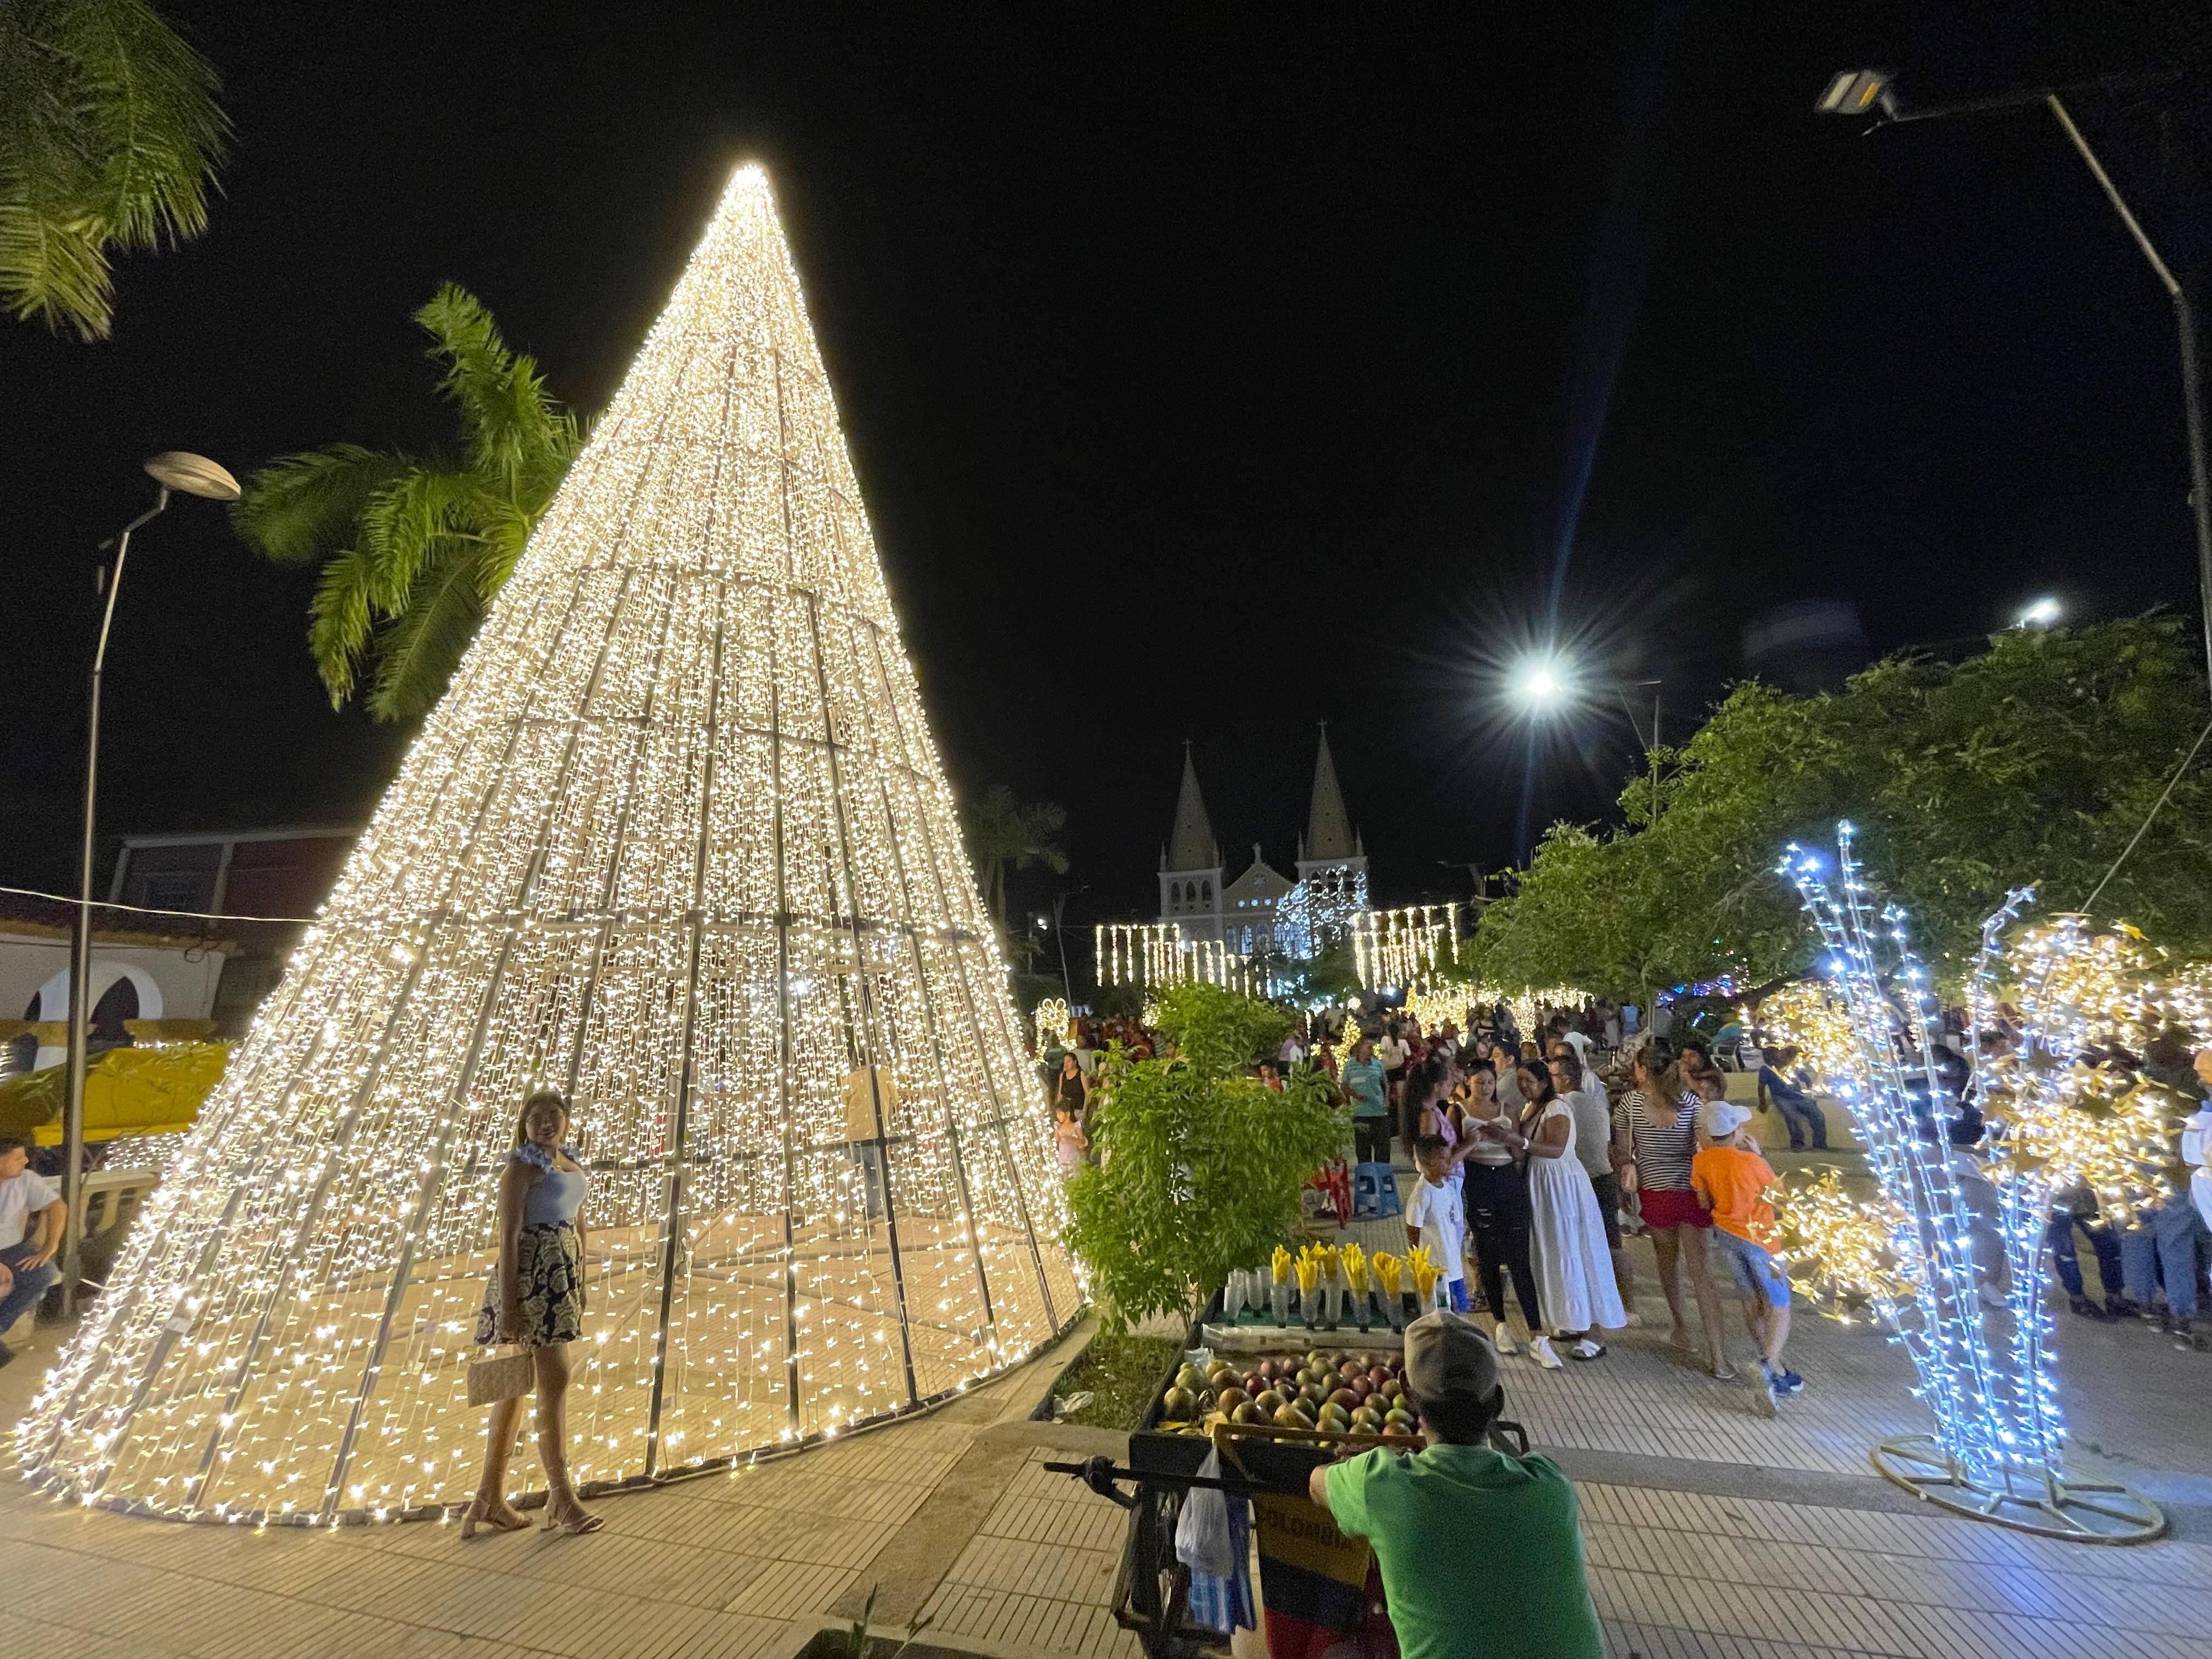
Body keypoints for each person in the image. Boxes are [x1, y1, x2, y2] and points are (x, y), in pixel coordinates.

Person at [1311, 1311, 1604, 1659]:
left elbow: (1315, 1484)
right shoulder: (1552, 1486)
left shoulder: (1382, 1484)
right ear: (1497, 1401)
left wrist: (1363, 1460)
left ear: (1405, 1390)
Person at [469, 1088, 602, 1537]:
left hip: (561, 1273)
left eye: (553, 1116)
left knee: (517, 1387)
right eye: (536, 1118)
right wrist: (509, 1309)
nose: (545, 1124)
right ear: (524, 1125)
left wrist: (581, 1274)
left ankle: (487, 1499)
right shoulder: (521, 1167)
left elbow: (578, 1219)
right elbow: (507, 1236)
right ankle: (562, 1499)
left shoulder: (569, 1161)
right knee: (555, 1379)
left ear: (566, 1121)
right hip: (531, 1278)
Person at [1615, 1049, 1731, 1377]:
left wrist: (1628, 1169)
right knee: (1702, 1274)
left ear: (1641, 1070)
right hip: (1690, 1190)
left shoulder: (1630, 1104)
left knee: (1668, 1265)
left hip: (1655, 1192)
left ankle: (1682, 1329)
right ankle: (1719, 1358)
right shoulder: (1691, 1104)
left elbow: (1624, 1153)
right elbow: (1704, 1146)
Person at [1690, 1098, 1800, 1409]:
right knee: (1780, 1303)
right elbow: (1780, 1198)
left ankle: (1775, 1370)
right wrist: (1759, 1156)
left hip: (1726, 1236)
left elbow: (1703, 1202)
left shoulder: (1701, 1161)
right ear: (1736, 1132)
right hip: (1762, 1240)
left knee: (1751, 1299)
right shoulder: (1753, 1162)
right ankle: (1768, 1364)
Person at [1512, 1060, 1623, 1362]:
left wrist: (1519, 1141)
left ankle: (1595, 1333)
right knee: (1556, 1253)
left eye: (1530, 1081)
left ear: (1545, 1082)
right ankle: (1574, 1320)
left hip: (1562, 1186)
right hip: (1542, 1186)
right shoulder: (1530, 1109)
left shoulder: (1557, 1109)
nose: (1524, 1086)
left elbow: (1556, 1149)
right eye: (1520, 1080)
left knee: (1577, 1250)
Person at [1457, 1062, 1543, 1355]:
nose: (1485, 1088)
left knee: (1519, 1257)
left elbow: (1519, 1152)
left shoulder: (1508, 1110)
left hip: (1507, 1178)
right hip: (1479, 1179)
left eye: (1490, 1083)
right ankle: (1500, 1323)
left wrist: (1506, 1139)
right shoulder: (1458, 1111)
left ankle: (1536, 1332)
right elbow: (1453, 1154)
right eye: (1480, 1082)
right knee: (1488, 1255)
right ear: (1468, 1082)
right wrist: (1474, 1141)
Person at [1549, 1049, 1636, 1323]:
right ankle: (1629, 1304)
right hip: (1603, 1176)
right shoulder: (1596, 1105)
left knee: (1579, 1244)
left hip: (1579, 1181)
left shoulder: (1561, 1106)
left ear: (1564, 1079)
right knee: (1613, 1245)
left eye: (1552, 1076)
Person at [0, 1135, 66, 1369]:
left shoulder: (26, 1180)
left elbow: (57, 1206)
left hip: (11, 1248)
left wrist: (51, 1245)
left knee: (43, 1275)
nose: (26, 1161)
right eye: (17, 1158)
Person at [1407, 1136, 1469, 1311]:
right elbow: (1413, 1230)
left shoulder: (1449, 1190)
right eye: (1443, 1159)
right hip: (1434, 1270)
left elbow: (1456, 1224)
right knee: (1440, 1312)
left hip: (1454, 1267)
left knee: (1460, 1311)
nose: (1449, 1162)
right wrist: (1416, 1266)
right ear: (1428, 1162)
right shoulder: (1422, 1194)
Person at [1756, 1045, 1829, 1152]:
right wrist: (1762, 1103)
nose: (1783, 1054)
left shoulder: (1793, 1066)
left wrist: (1812, 1091)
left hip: (1798, 1096)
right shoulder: (1767, 1069)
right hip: (1781, 1097)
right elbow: (1761, 1086)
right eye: (1780, 1052)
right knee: (1792, 1117)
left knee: (1818, 1115)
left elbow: (1806, 1080)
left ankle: (1820, 1144)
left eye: (1785, 1052)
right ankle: (1797, 1143)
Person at [1344, 1036, 1393, 1167]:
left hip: (1378, 1112)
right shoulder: (1351, 1065)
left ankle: (1381, 1175)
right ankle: (1367, 1177)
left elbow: (1385, 1083)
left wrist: (1386, 1099)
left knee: (1382, 1150)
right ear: (1360, 1049)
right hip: (1361, 1113)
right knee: (1363, 1150)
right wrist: (1354, 1095)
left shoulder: (1377, 1064)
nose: (1371, 1050)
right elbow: (1344, 1085)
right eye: (1369, 1047)